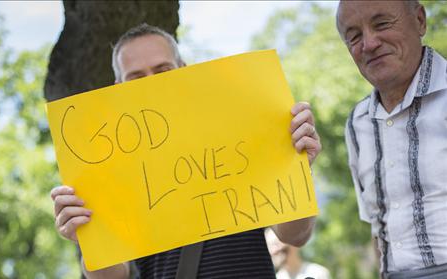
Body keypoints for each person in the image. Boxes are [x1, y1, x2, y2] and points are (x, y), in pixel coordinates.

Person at [50, 23, 322, 279]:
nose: (151, 83)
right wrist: (87, 239)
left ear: (183, 69)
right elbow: (114, 276)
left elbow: (294, 235)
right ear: (118, 87)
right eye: (136, 78)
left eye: (162, 70)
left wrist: (297, 169)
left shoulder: (238, 128)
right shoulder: (107, 167)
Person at [337, 1, 447, 278]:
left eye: (382, 23)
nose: (369, 44)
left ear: (420, 20)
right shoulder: (357, 122)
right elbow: (377, 228)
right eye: (354, 36)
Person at [265, 228, 331, 279]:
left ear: (293, 244)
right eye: (269, 246)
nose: (273, 251)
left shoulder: (318, 273)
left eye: (276, 244)